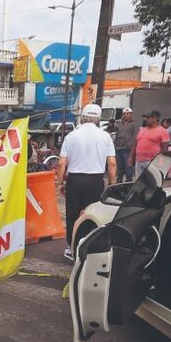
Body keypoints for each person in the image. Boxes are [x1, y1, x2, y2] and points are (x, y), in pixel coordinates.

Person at [57, 104, 117, 260]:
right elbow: (112, 164)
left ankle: (72, 248)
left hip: (75, 180)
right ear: (98, 119)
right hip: (95, 180)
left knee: (72, 214)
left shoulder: (72, 136)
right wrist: (112, 184)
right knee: (93, 213)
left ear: (82, 118)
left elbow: (61, 163)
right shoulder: (105, 137)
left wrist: (60, 183)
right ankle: (89, 247)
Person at [131, 110, 169, 179]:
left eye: (148, 117)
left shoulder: (162, 131)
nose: (145, 119)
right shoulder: (142, 130)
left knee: (151, 183)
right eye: (145, 117)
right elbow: (136, 144)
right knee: (139, 183)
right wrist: (131, 157)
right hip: (139, 161)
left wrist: (158, 161)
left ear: (155, 118)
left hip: (151, 162)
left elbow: (165, 147)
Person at [112, 108, 139, 183]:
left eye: (128, 113)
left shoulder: (134, 124)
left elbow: (135, 136)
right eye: (124, 114)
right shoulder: (119, 123)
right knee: (119, 164)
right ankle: (119, 179)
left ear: (131, 114)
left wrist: (129, 145)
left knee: (128, 164)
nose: (126, 115)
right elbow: (114, 132)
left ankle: (128, 179)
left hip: (127, 148)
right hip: (118, 146)